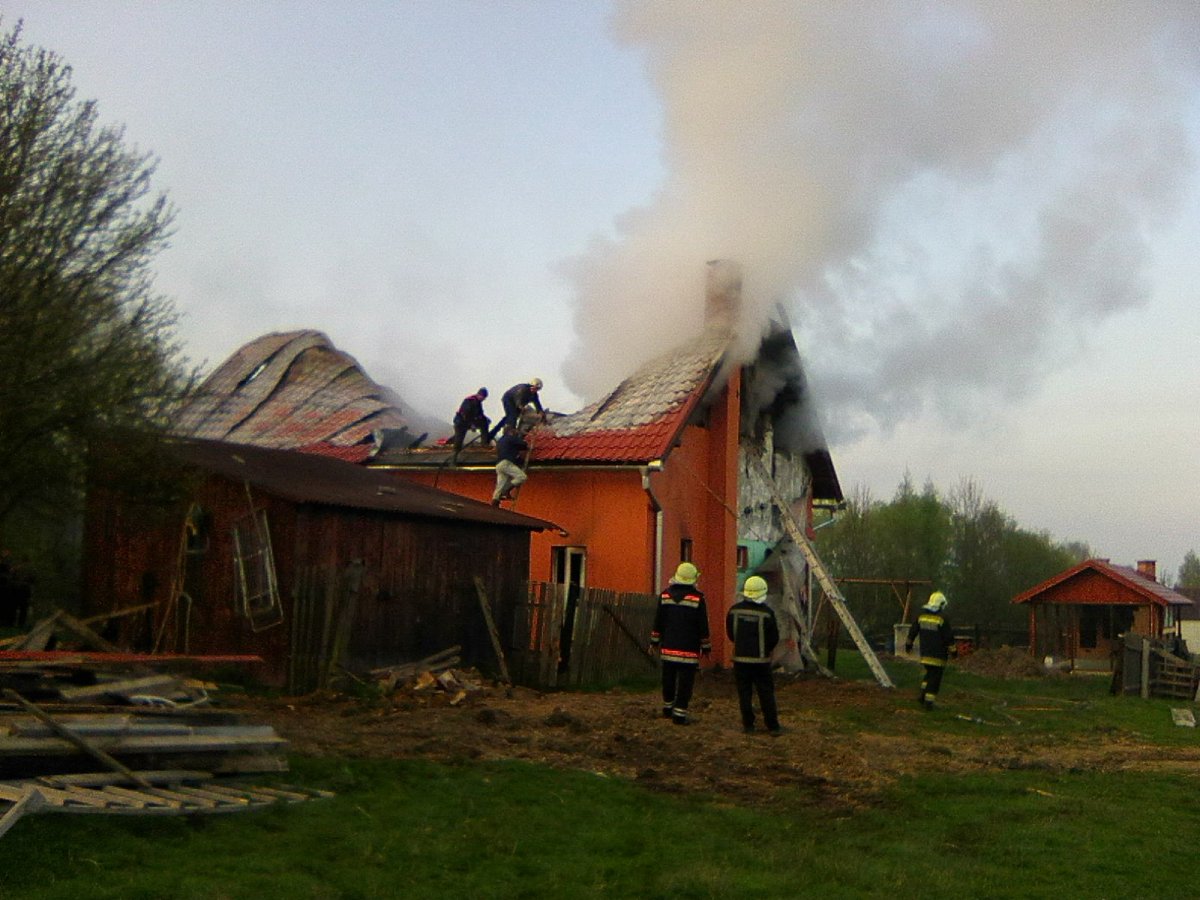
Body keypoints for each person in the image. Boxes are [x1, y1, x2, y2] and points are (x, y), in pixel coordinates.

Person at [650, 561, 711, 725]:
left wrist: (654, 642)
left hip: (668, 647)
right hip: (689, 650)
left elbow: (659, 621)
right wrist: (706, 646)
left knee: (668, 679)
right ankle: (680, 714)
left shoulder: (664, 596)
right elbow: (702, 625)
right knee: (685, 683)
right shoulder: (698, 599)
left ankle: (668, 708)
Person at [726, 575, 782, 735]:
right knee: (766, 693)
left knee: (744, 692)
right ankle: (773, 726)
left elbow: (731, 634)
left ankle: (748, 725)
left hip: (740, 660)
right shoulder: (767, 613)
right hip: (761, 661)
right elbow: (774, 638)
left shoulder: (734, 610)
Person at [905, 591, 953, 710]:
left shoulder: (921, 616)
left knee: (929, 674)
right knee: (935, 679)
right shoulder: (942, 619)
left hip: (925, 653)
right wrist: (954, 651)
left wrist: (908, 644)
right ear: (940, 604)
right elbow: (948, 637)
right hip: (938, 655)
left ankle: (922, 696)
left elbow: (913, 631)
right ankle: (929, 703)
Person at [451, 387, 491, 463]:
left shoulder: (478, 403)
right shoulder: (469, 400)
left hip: (470, 420)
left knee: (484, 424)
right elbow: (465, 414)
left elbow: (479, 414)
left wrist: (486, 419)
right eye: (483, 397)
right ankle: (453, 459)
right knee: (459, 440)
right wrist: (472, 424)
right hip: (461, 422)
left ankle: (484, 443)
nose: (483, 399)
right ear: (479, 395)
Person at [491, 426, 529, 506]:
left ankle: (495, 502)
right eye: (514, 431)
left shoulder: (500, 441)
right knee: (521, 477)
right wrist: (525, 441)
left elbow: (510, 448)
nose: (515, 432)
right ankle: (506, 490)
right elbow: (523, 444)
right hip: (506, 463)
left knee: (500, 485)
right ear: (510, 432)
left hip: (499, 464)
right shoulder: (510, 438)